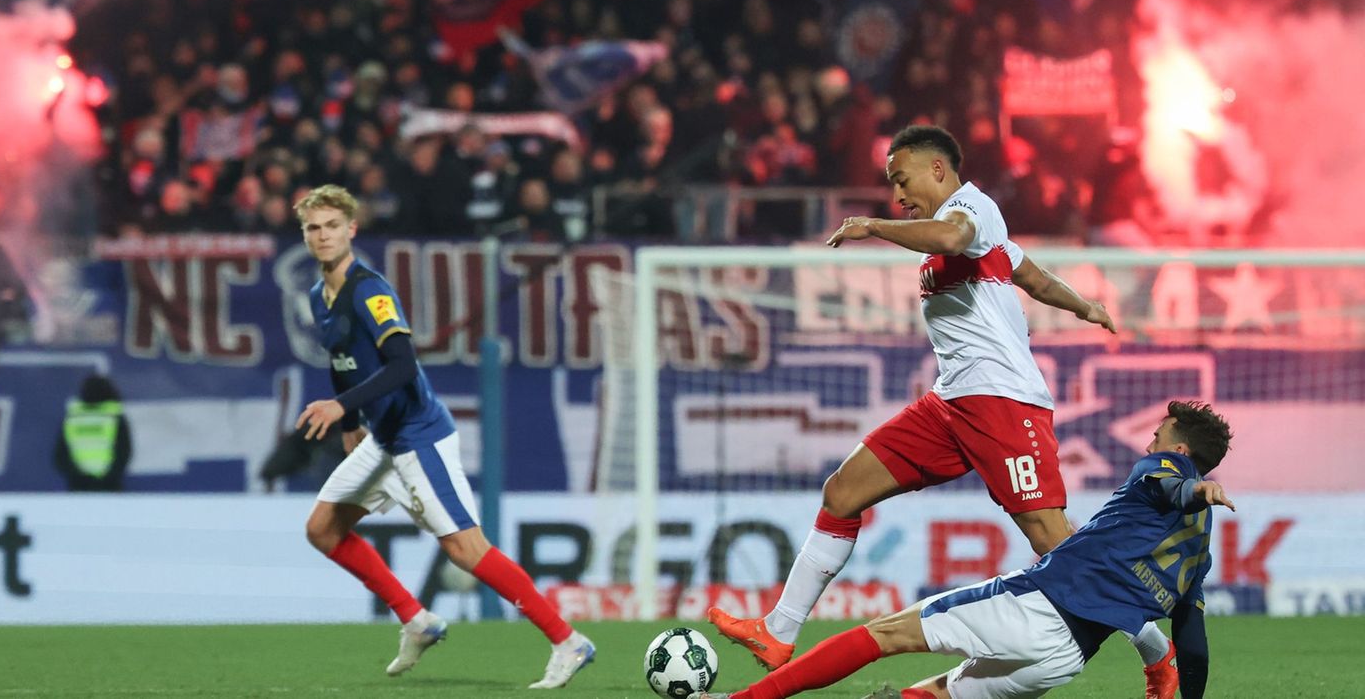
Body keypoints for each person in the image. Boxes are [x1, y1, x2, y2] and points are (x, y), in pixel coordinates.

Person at [707, 125, 1176, 697]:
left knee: (1055, 543)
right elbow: (1030, 274)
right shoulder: (980, 231)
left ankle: (1156, 651)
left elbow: (955, 237)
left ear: (936, 168)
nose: (897, 196)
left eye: (900, 180)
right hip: (953, 401)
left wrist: (874, 227)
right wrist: (1085, 304)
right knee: (842, 492)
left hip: (1004, 400)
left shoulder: (969, 209)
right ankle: (778, 631)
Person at [691, 400, 1234, 699]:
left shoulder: (1165, 472)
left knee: (885, 635)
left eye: (1159, 435)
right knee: (934, 696)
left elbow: (1170, 485)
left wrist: (1192, 487)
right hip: (1065, 660)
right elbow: (1196, 645)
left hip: (1038, 606)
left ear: (1180, 451)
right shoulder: (1198, 557)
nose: (1149, 443)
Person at [293, 185, 594, 687]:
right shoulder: (317, 296)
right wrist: (350, 424)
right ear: (304, 235)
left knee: (467, 550)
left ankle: (568, 640)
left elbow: (403, 364)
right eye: (312, 228)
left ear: (351, 229)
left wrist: (340, 406)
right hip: (382, 439)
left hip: (418, 434)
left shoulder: (370, 290)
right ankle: (416, 618)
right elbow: (343, 362)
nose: (322, 236)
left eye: (330, 226)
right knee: (322, 529)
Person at [53, 374, 132, 492]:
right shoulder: (115, 418)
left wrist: (79, 476)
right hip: (110, 487)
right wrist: (108, 478)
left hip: (78, 488)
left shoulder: (72, 419)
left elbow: (60, 457)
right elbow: (123, 453)